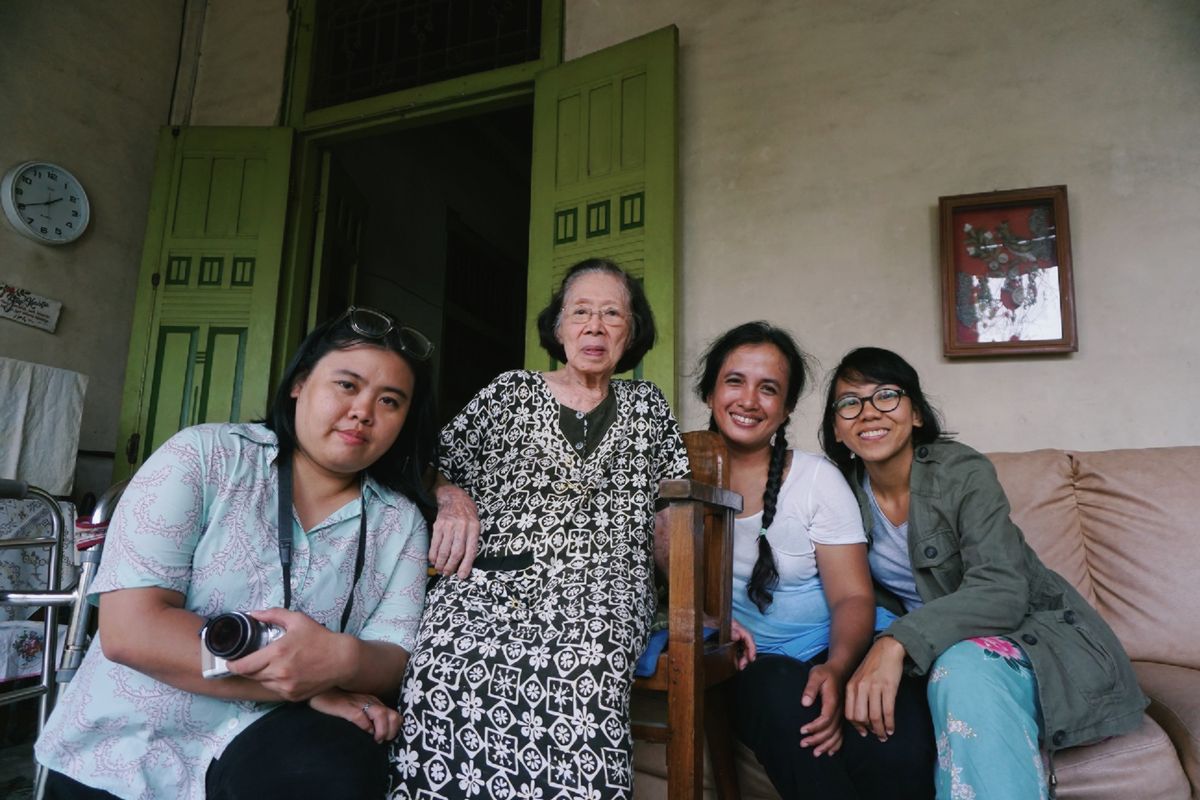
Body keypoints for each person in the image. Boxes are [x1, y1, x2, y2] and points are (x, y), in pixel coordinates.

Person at [36, 307, 438, 800]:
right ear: (299, 383)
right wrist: (309, 684)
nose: (363, 411)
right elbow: (132, 631)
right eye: (347, 385)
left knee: (341, 769)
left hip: (275, 740)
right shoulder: (205, 457)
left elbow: (392, 657)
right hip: (125, 745)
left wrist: (344, 657)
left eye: (390, 401)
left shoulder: (400, 521)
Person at [389, 258, 689, 800]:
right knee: (440, 656)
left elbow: (673, 515)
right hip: (493, 579)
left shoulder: (649, 408)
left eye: (611, 314)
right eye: (580, 312)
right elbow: (430, 462)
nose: (594, 327)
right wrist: (452, 496)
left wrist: (703, 609)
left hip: (604, 585)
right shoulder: (509, 392)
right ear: (557, 327)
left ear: (633, 330)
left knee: (587, 664)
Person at [819, 347, 1146, 800]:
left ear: (915, 413)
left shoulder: (962, 473)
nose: (869, 412)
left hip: (1030, 638)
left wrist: (896, 643)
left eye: (887, 396)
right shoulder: (836, 495)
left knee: (963, 669)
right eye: (850, 402)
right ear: (837, 427)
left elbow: (1002, 592)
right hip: (929, 654)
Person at [694, 323, 933, 799]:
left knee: (894, 748)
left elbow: (852, 595)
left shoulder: (817, 480)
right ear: (709, 391)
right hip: (759, 667)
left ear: (785, 409)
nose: (749, 400)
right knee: (788, 703)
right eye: (735, 381)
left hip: (844, 648)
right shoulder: (677, 476)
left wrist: (839, 670)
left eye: (769, 389)